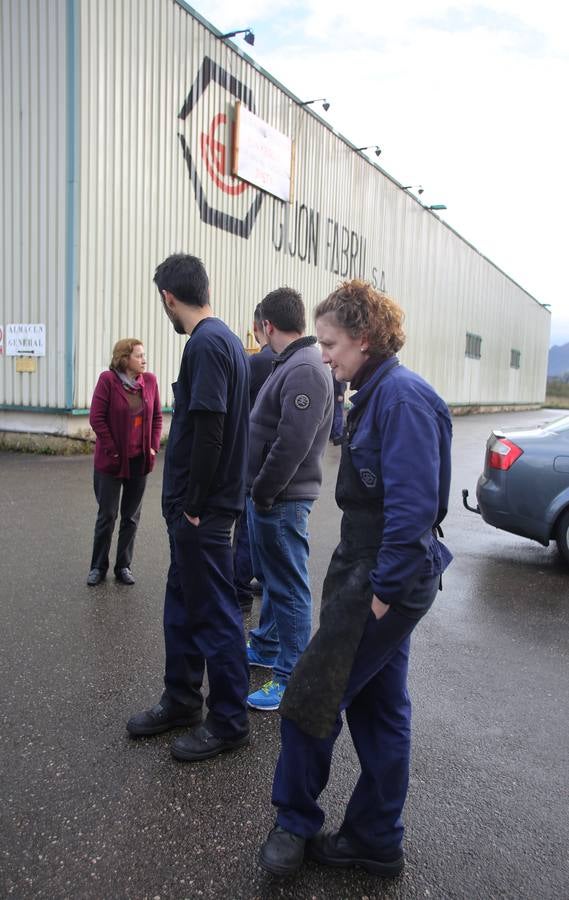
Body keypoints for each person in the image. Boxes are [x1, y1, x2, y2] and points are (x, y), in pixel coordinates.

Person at [258, 279, 453, 877]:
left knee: (311, 694)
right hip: (369, 571)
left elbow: (414, 511)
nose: (323, 354)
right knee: (380, 708)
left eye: (330, 342)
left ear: (364, 339)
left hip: (382, 580)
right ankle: (376, 839)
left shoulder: (401, 400)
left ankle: (294, 823)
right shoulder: (372, 390)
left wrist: (381, 598)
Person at [126, 254, 251, 763]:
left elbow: (210, 429)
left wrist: (195, 505)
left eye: (164, 303)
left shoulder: (205, 344)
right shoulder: (225, 341)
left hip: (203, 512)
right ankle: (181, 700)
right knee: (183, 606)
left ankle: (228, 720)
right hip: (196, 513)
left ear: (169, 298)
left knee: (215, 613)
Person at [246, 287, 333, 711]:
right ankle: (265, 647)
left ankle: (290, 678)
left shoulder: (304, 369)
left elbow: (292, 442)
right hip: (275, 496)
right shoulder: (293, 363)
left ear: (267, 325)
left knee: (288, 587)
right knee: (276, 581)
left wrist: (262, 490)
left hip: (280, 498)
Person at [87, 339, 162, 587]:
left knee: (131, 517)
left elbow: (158, 418)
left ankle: (124, 566)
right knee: (107, 515)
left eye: (144, 355)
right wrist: (113, 450)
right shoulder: (108, 381)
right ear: (124, 359)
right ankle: (98, 567)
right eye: (139, 356)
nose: (144, 359)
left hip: (139, 462)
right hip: (111, 463)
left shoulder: (149, 381)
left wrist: (152, 446)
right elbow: (97, 419)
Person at [234, 303, 277, 614]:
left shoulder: (257, 363)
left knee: (247, 527)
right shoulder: (291, 363)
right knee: (268, 526)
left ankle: (239, 589)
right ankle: (261, 579)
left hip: (252, 455)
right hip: (279, 460)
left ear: (260, 326)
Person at [330, 374, 347, 444]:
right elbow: (342, 383)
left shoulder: (332, 372)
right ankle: (337, 435)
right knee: (338, 416)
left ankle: (332, 434)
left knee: (333, 415)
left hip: (333, 396)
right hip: (337, 397)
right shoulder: (338, 372)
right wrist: (341, 393)